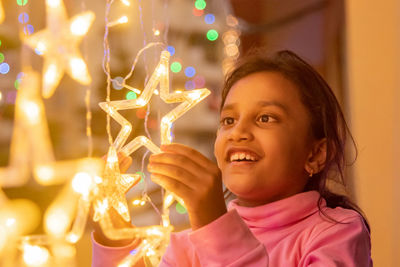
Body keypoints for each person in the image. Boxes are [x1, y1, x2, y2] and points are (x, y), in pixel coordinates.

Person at [92, 50, 372, 266]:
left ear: (315, 154)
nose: (238, 132)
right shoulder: (188, 246)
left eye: (265, 118)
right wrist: (114, 232)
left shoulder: (335, 232)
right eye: (228, 120)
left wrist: (214, 222)